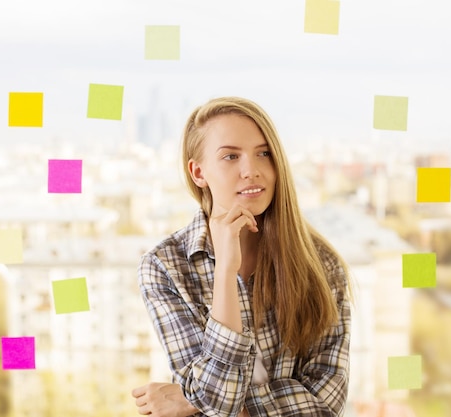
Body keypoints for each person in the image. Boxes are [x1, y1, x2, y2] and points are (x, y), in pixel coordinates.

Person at [131, 97, 351, 416]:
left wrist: (192, 399)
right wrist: (226, 273)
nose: (252, 171)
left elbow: (326, 403)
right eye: (231, 156)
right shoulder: (165, 267)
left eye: (263, 153)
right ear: (198, 172)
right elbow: (217, 401)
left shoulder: (320, 263)